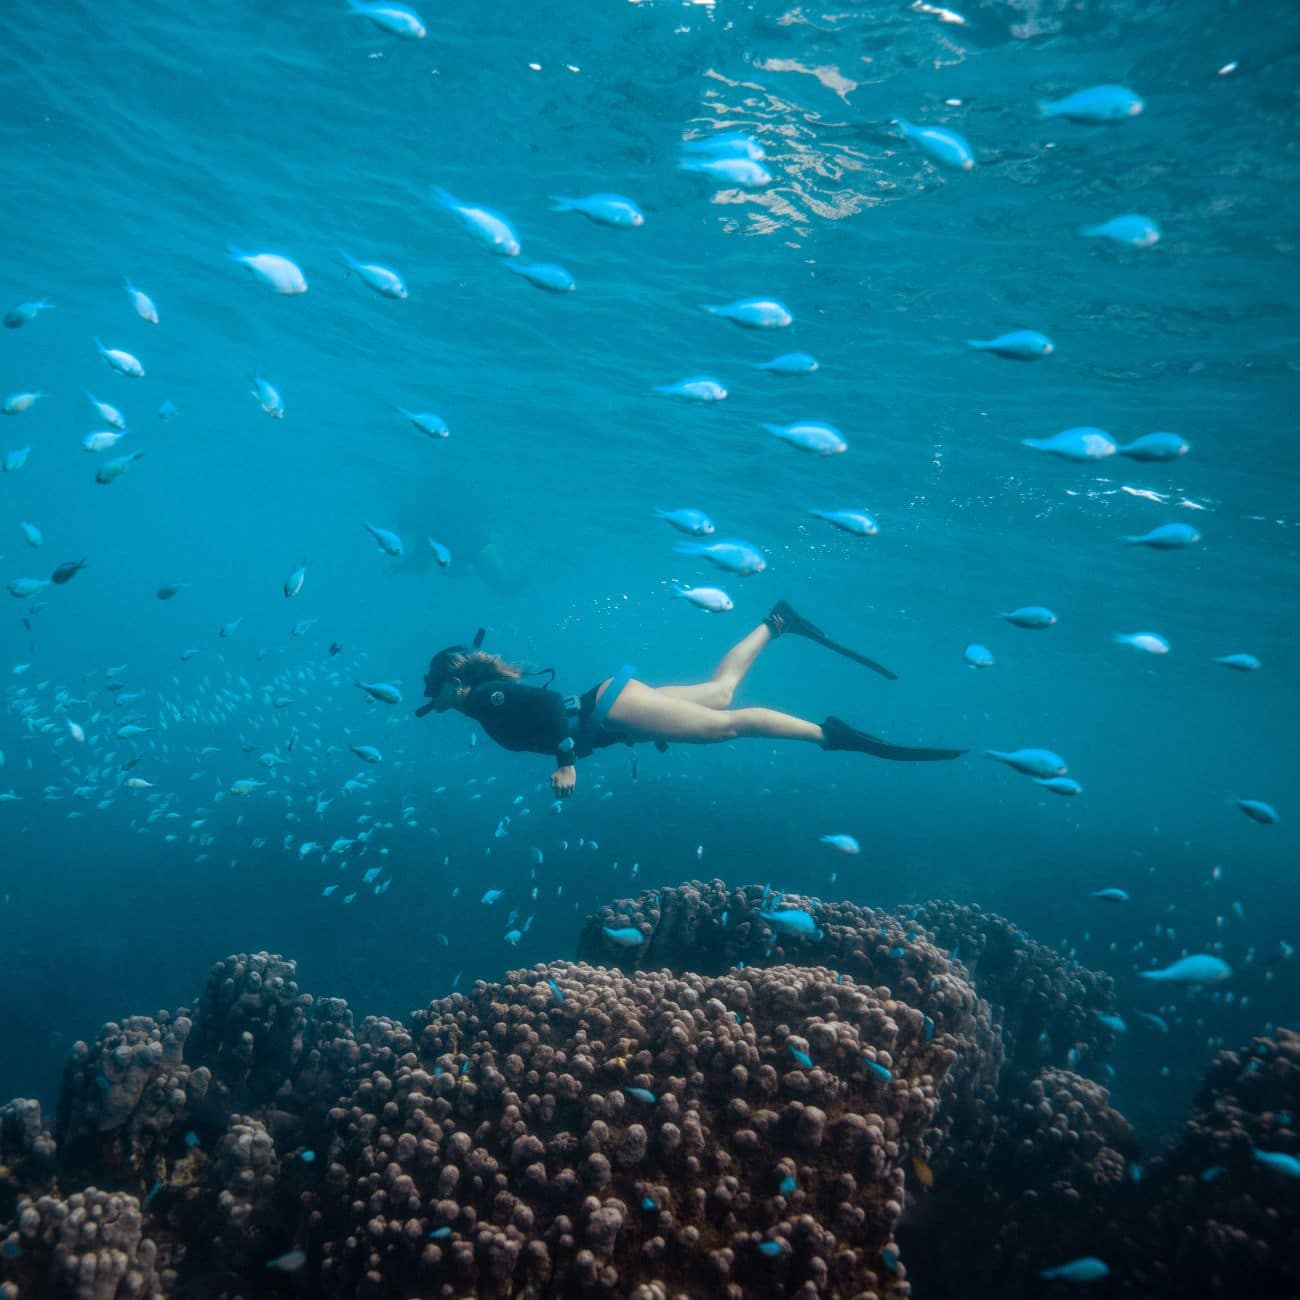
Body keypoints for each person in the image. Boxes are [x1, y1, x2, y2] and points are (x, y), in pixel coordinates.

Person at [414, 602, 966, 799]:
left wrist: (565, 763)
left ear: (452, 681)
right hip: (614, 712)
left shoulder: (483, 698)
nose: (428, 697)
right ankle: (778, 622)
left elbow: (550, 706)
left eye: (431, 686)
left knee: (726, 725)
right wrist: (644, 726)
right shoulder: (481, 700)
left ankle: (831, 736)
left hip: (607, 711)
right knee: (720, 694)